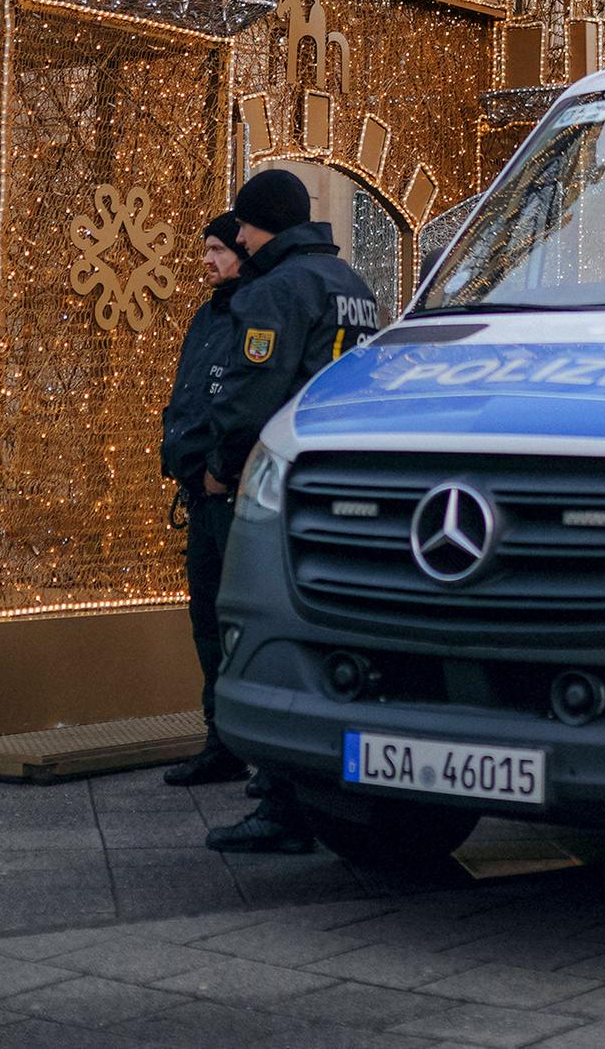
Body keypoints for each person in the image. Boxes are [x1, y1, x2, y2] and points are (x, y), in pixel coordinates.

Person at [200, 168, 385, 855]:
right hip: (352, 487)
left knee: (268, 635)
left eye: (243, 226)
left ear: (264, 224)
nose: (238, 238)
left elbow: (250, 396)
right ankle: (327, 784)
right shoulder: (353, 286)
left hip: (283, 489)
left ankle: (281, 804)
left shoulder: (275, 290)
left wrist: (220, 466)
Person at [157, 215, 252, 787]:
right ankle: (221, 740)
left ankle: (248, 739)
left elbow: (244, 399)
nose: (207, 260)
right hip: (201, 494)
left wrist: (220, 469)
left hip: (231, 494)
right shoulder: (209, 314)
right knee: (206, 619)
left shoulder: (253, 311)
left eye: (218, 249)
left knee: (233, 620)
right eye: (205, 250)